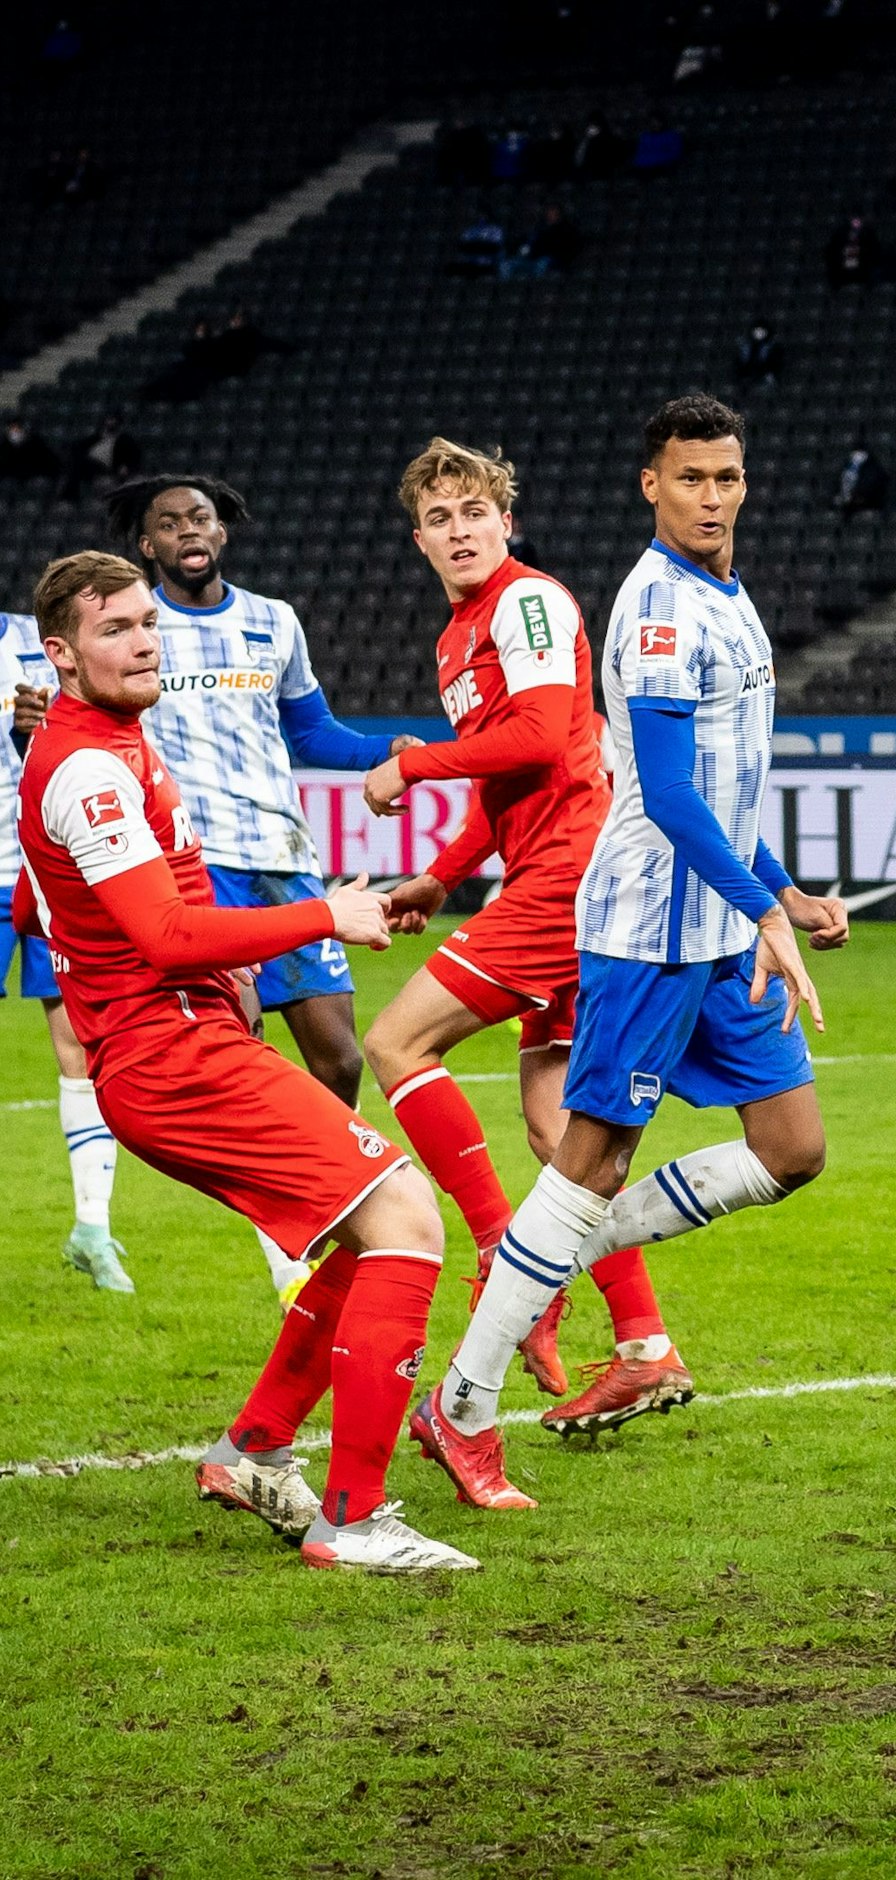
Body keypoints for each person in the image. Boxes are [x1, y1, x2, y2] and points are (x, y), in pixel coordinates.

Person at [405, 394, 849, 1508]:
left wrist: (780, 892)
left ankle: (547, 1261)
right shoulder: (655, 609)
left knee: (792, 1148)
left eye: (727, 477)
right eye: (689, 477)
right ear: (649, 484)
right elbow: (662, 796)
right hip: (650, 927)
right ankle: (461, 1402)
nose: (711, 496)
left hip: (719, 918)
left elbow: (725, 788)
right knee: (589, 1156)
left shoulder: (730, 598)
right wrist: (755, 907)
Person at [15, 551, 472, 1572]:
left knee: (365, 1240)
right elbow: (167, 936)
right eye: (113, 629)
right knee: (406, 1219)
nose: (140, 640)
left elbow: (47, 906)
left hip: (185, 1038)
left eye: (146, 623)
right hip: (170, 1054)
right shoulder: (89, 767)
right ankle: (350, 1520)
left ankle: (253, 1450)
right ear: (62, 652)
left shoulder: (114, 742)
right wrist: (325, 915)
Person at [357, 439, 694, 1462]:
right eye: (439, 518)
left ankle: (501, 1252)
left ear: (505, 519)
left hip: (572, 874)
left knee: (395, 1044)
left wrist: (413, 763)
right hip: (549, 866)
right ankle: (644, 1342)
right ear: (417, 538)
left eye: (474, 511)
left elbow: (548, 735)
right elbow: (509, 785)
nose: (459, 530)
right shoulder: (459, 632)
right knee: (559, 1129)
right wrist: (441, 874)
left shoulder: (526, 601)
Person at [103, 474, 418, 1307]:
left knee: (339, 1055)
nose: (187, 532)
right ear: (147, 546)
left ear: (223, 532)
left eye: (199, 518)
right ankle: (292, 1242)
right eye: (168, 524)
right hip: (192, 870)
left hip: (281, 856)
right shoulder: (136, 632)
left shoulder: (272, 621)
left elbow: (310, 731)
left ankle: (311, 1194)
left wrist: (392, 750)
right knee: (234, 1051)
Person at [2, 610, 129, 1289]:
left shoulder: (39, 638)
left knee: (79, 1048)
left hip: (44, 867)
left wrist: (37, 729)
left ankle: (93, 1227)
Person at [59, 413, 139, 501]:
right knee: (76, 458)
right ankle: (70, 493)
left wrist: (126, 466)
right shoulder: (97, 437)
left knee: (78, 462)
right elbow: (80, 445)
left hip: (107, 468)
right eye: (109, 419)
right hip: (91, 467)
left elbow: (133, 456)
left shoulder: (124, 439)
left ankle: (70, 494)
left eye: (113, 419)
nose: (110, 422)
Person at [831, 441, 888, 517]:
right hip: (848, 504)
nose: (857, 456)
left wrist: (857, 497)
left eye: (860, 453)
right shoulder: (846, 466)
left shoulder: (873, 468)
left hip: (869, 504)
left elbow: (872, 488)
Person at [0, 416, 60, 483]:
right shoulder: (4, 447)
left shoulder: (37, 444)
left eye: (18, 428)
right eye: (12, 429)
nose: (15, 432)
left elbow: (52, 464)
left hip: (34, 482)